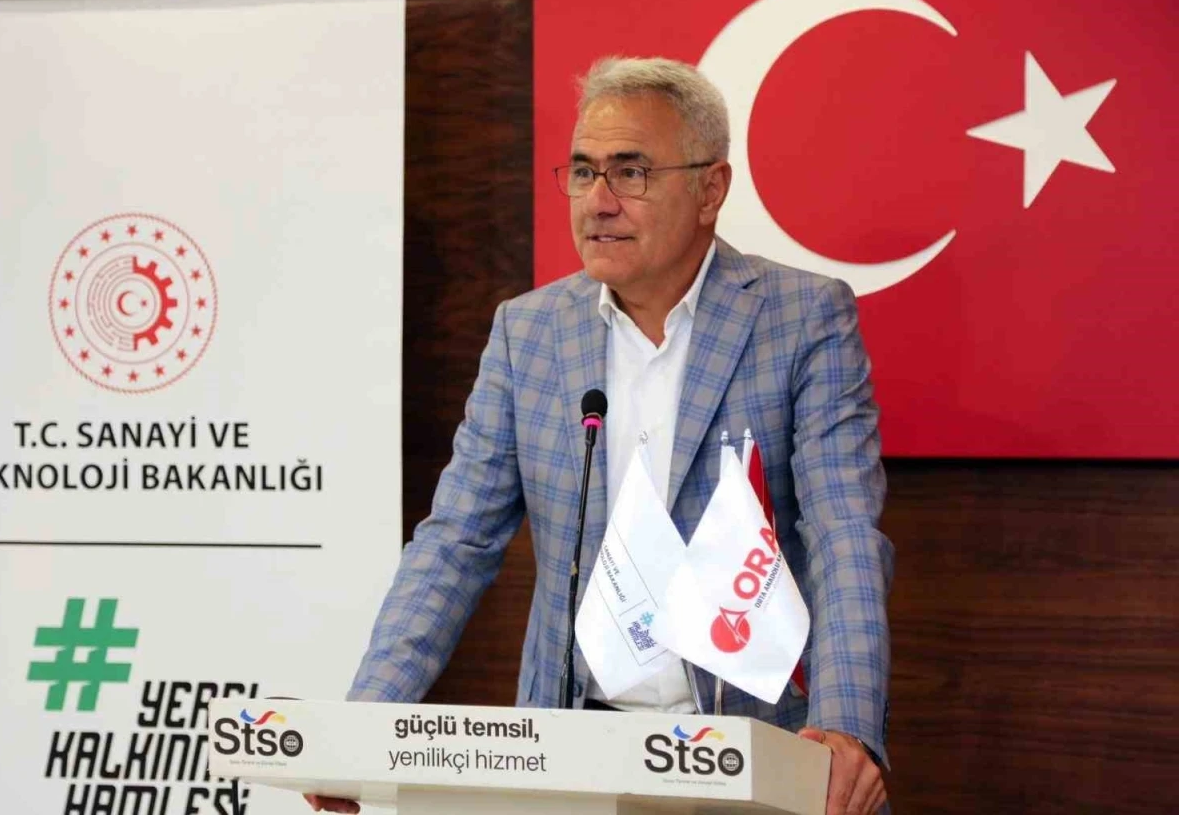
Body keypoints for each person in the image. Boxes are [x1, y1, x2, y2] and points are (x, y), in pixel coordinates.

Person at [307, 56, 893, 815]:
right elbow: (456, 540)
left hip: (753, 749)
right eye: (583, 172)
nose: (599, 201)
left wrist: (845, 726)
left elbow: (844, 533)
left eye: (631, 172)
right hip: (572, 755)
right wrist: (366, 719)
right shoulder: (529, 332)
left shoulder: (802, 319)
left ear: (711, 189)